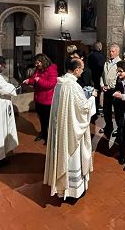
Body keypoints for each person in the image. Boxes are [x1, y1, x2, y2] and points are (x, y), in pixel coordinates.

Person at [44, 58, 97, 199]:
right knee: (72, 159)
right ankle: (73, 190)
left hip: (61, 127)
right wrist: (92, 97)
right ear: (76, 69)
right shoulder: (73, 86)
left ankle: (63, 186)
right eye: (82, 68)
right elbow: (83, 109)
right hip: (71, 130)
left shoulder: (60, 83)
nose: (83, 71)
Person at [23, 54, 57, 144]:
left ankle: (49, 137)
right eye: (36, 63)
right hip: (39, 98)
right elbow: (34, 79)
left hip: (47, 100)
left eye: (38, 63)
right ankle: (43, 133)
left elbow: (51, 84)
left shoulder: (52, 69)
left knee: (48, 119)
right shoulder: (38, 69)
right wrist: (28, 81)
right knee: (41, 118)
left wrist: (39, 80)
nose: (36, 65)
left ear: (43, 61)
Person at [99, 43, 121, 138]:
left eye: (113, 51)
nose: (111, 53)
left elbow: (119, 78)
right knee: (106, 110)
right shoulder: (106, 62)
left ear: (118, 52)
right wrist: (102, 85)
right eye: (110, 51)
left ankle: (119, 129)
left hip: (114, 90)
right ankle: (108, 126)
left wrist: (109, 86)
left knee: (117, 110)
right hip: (106, 90)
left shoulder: (120, 63)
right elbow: (103, 75)